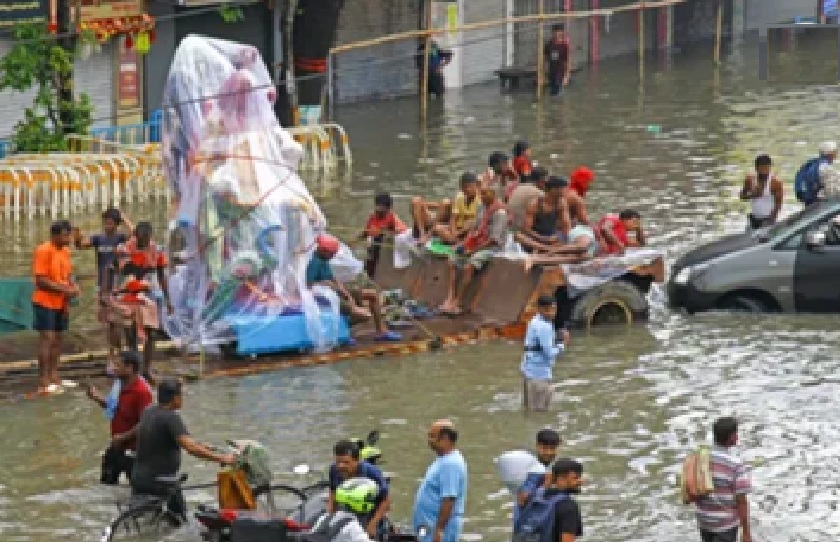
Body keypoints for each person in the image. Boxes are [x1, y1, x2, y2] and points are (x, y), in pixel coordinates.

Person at [119, 378, 237, 524]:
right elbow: (190, 448)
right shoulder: (171, 417)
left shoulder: (148, 411)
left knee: (150, 520)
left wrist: (200, 445)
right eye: (181, 395)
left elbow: (171, 438)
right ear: (175, 398)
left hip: (138, 478)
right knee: (182, 522)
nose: (182, 399)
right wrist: (222, 459)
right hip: (160, 481)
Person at [307, 234, 402, 341]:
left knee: (373, 295)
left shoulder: (324, 260)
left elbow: (334, 279)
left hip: (335, 292)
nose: (333, 256)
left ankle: (382, 332)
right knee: (362, 314)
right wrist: (328, 285)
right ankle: (343, 334)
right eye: (332, 254)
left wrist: (345, 292)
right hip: (325, 296)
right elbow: (309, 286)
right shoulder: (314, 263)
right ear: (324, 251)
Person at [111, 222, 173, 381]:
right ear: (135, 236)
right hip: (129, 294)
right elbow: (124, 270)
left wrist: (168, 299)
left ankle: (146, 368)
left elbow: (161, 275)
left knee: (151, 332)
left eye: (146, 240)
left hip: (150, 295)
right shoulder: (124, 249)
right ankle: (134, 370)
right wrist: (140, 257)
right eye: (140, 240)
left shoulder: (157, 249)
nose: (143, 243)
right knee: (131, 333)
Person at [74, 208, 133, 364]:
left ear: (116, 224)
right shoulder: (98, 238)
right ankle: (112, 355)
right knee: (109, 323)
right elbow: (81, 245)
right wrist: (77, 237)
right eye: (105, 222)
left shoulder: (121, 238)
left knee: (121, 322)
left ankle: (122, 353)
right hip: (103, 285)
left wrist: (124, 217)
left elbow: (134, 234)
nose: (107, 226)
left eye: (111, 223)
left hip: (119, 285)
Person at [439, 183, 508, 315]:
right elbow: (475, 226)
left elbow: (493, 240)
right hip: (477, 241)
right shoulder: (482, 207)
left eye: (484, 194)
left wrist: (473, 250)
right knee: (452, 258)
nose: (481, 196)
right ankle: (450, 297)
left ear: (493, 195)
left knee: (469, 266)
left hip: (492, 247)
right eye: (481, 193)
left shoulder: (500, 213)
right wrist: (465, 243)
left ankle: (458, 302)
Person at [86, 350, 153, 484]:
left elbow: (146, 423)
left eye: (117, 365)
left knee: (138, 491)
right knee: (106, 484)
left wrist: (123, 437)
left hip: (134, 451)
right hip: (118, 446)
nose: (113, 368)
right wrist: (96, 398)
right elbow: (114, 408)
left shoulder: (142, 391)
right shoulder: (119, 385)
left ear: (129, 368)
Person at [32, 220, 79, 395]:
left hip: (62, 302)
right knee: (47, 338)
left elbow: (69, 274)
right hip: (45, 301)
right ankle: (43, 379)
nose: (69, 238)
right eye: (66, 234)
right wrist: (65, 289)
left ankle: (54, 374)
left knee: (58, 338)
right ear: (56, 235)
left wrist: (73, 286)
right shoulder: (43, 250)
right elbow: (41, 280)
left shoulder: (66, 252)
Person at [693, 417, 752, 542]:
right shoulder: (736, 465)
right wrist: (746, 532)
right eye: (736, 433)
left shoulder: (700, 458)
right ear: (732, 437)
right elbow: (741, 500)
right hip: (725, 525)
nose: (738, 436)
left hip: (704, 521)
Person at [413, 419, 467, 542]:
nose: (429, 440)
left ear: (445, 439)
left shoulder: (451, 464)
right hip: (428, 526)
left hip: (439, 530)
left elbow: (449, 500)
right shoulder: (443, 459)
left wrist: (439, 530)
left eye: (432, 436)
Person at [328, 440, 391, 538]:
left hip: (370, 514)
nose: (341, 466)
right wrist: (331, 514)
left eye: (346, 462)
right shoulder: (334, 469)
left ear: (357, 460)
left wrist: (372, 524)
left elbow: (386, 500)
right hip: (347, 510)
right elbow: (333, 491)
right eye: (338, 462)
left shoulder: (372, 473)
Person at [516, 458, 584, 542]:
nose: (580, 481)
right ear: (561, 479)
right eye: (575, 478)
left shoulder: (533, 497)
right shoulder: (569, 507)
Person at [520, 296, 569, 412]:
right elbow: (549, 353)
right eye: (548, 310)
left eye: (553, 310)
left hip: (529, 371)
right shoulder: (544, 326)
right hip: (539, 374)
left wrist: (556, 340)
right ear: (540, 309)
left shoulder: (535, 321)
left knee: (530, 409)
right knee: (541, 412)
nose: (552, 313)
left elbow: (539, 345)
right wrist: (563, 344)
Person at [413, 172, 480, 246]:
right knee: (438, 228)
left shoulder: (480, 200)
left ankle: (459, 242)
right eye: (464, 187)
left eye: (470, 187)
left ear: (476, 186)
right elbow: (453, 218)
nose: (467, 189)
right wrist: (454, 232)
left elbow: (477, 221)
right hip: (458, 228)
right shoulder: (459, 197)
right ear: (461, 187)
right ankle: (455, 241)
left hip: (469, 230)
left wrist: (460, 232)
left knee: (471, 222)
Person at [514, 429, 562, 524]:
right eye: (544, 448)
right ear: (537, 446)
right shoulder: (533, 470)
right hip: (529, 522)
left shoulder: (550, 467)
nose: (548, 453)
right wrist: (545, 486)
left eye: (552, 448)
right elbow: (522, 500)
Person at [360, 193, 410, 277]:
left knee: (377, 241)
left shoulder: (392, 218)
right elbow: (365, 232)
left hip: (384, 246)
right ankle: (370, 271)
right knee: (369, 260)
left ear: (388, 208)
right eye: (377, 205)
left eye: (381, 207)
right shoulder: (373, 217)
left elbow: (403, 231)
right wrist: (354, 241)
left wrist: (388, 232)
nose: (378, 209)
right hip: (373, 245)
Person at [521, 176, 571, 251]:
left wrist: (559, 237)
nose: (566, 191)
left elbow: (566, 226)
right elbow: (526, 229)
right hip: (535, 239)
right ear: (554, 190)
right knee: (519, 236)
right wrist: (543, 239)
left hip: (552, 239)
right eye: (564, 188)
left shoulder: (562, 203)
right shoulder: (535, 204)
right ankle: (547, 250)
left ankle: (549, 250)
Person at [740, 154, 783, 230]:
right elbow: (742, 196)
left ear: (770, 167)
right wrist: (752, 195)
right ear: (756, 168)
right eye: (761, 168)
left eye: (766, 168)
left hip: (768, 220)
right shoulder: (750, 179)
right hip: (753, 219)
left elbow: (778, 204)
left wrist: (771, 220)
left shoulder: (775, 182)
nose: (764, 171)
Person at [544, 25, 571, 96]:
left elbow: (567, 61)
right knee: (552, 93)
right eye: (555, 32)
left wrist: (567, 76)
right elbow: (545, 60)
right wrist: (543, 74)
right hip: (551, 72)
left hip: (560, 72)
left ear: (562, 33)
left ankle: (559, 105)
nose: (556, 34)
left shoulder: (564, 45)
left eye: (558, 32)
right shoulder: (548, 45)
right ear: (552, 33)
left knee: (558, 92)